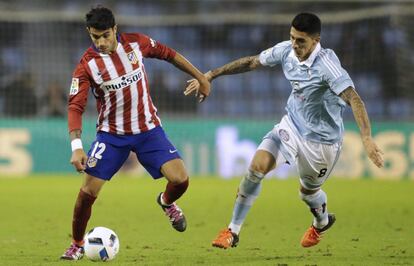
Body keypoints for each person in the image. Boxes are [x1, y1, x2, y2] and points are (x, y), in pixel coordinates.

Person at [186, 12, 384, 249]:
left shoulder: (327, 66)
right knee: (256, 168)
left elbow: (354, 98)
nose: (295, 44)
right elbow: (252, 61)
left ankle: (321, 222)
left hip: (322, 142)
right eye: (292, 37)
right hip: (291, 126)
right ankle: (232, 231)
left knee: (308, 193)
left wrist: (367, 138)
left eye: (301, 40)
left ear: (316, 40)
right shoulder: (286, 51)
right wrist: (210, 74)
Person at [61, 6, 210, 260]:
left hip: (148, 130)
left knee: (181, 179)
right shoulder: (87, 65)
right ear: (89, 33)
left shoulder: (136, 44)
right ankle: (76, 244)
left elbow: (168, 54)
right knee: (87, 193)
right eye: (95, 37)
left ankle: (165, 201)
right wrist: (76, 146)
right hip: (111, 136)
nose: (101, 42)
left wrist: (200, 77)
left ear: (115, 29)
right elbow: (75, 105)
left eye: (105, 35)